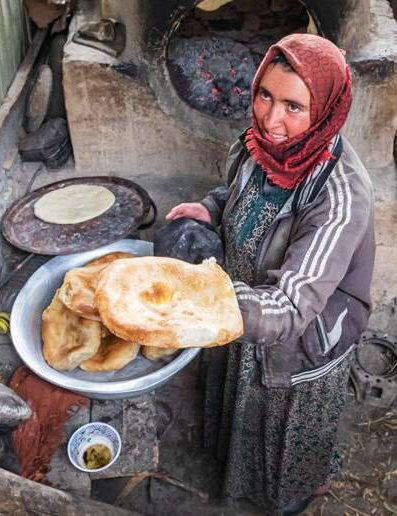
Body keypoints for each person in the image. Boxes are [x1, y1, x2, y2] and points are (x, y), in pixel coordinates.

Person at [166, 34, 375, 515]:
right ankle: (239, 470)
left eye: (294, 106)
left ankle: (292, 495)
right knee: (245, 403)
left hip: (299, 338)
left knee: (286, 425)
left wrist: (203, 301)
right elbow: (241, 194)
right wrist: (211, 208)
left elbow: (292, 306)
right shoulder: (259, 145)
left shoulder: (339, 196)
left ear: (325, 111)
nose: (271, 119)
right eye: (265, 95)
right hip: (245, 308)